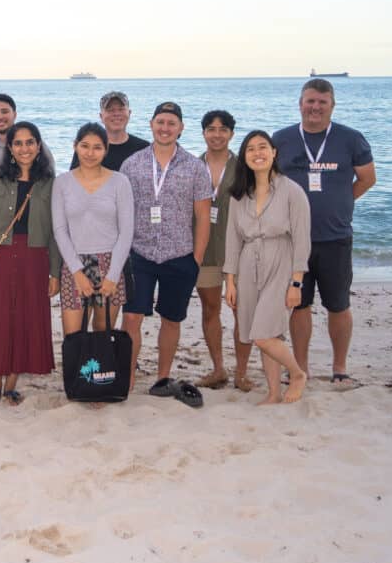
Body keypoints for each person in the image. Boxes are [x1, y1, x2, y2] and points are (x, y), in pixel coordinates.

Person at [272, 78, 376, 387]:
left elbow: (367, 179)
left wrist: (340, 202)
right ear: (300, 103)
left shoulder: (351, 139)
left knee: (338, 305)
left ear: (332, 105)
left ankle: (339, 368)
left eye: (322, 102)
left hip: (335, 239)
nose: (315, 107)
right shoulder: (283, 138)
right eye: (310, 101)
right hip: (294, 241)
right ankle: (299, 368)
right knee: (299, 305)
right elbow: (271, 183)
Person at [0, 121, 60, 406]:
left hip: (35, 258)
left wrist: (55, 272)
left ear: (39, 146)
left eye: (30, 142)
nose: (24, 148)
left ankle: (13, 384)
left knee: (25, 319)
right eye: (18, 143)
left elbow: (55, 231)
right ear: (10, 148)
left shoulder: (50, 182)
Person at [120, 102, 213, 403]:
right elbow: (121, 213)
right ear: (151, 124)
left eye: (171, 123)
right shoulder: (132, 164)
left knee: (171, 320)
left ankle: (162, 376)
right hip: (140, 254)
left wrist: (196, 260)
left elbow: (202, 217)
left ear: (181, 128)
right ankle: (129, 375)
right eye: (160, 121)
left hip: (180, 256)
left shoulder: (196, 167)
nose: (165, 127)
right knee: (132, 317)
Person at [224, 130, 312, 404]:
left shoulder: (291, 191)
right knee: (262, 332)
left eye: (263, 147)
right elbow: (232, 239)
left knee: (263, 334)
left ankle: (297, 374)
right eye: (250, 149)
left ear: (274, 153)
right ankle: (273, 393)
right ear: (244, 157)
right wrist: (230, 281)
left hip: (280, 261)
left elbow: (301, 238)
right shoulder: (240, 195)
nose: (257, 153)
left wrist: (296, 282)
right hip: (249, 263)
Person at [52, 123, 134, 350]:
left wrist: (113, 275)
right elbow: (60, 230)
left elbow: (126, 231)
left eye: (97, 147)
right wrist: (77, 272)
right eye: (84, 146)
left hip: (110, 263)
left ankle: (98, 382)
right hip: (74, 265)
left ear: (106, 150)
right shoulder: (62, 182)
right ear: (75, 147)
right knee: (73, 336)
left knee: (101, 331)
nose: (90, 153)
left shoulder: (119, 181)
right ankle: (77, 384)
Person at [193, 110, 252, 391]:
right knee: (210, 309)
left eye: (223, 129)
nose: (217, 134)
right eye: (211, 129)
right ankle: (218, 369)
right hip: (204, 250)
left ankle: (241, 373)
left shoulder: (245, 168)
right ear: (203, 132)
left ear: (231, 134)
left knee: (242, 311)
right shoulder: (192, 166)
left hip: (239, 251)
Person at [67, 91, 150, 170]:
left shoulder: (144, 148)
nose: (116, 114)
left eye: (121, 109)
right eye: (110, 110)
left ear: (129, 113)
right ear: (101, 116)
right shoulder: (88, 149)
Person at [0, 92, 55, 172]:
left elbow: (49, 178)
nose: (0, 117)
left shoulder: (33, 146)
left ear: (14, 115)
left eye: (5, 112)